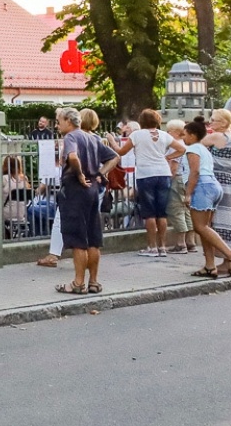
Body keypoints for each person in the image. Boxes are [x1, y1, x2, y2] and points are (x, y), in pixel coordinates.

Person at [54, 107, 111, 295]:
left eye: (59, 121)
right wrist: (100, 174)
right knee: (93, 238)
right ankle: (94, 282)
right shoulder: (93, 138)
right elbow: (114, 157)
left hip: (75, 190)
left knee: (78, 239)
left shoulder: (71, 137)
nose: (57, 125)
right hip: (93, 189)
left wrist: (79, 174)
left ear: (68, 122)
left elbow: (72, 156)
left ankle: (78, 283)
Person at [180, 118, 231, 278]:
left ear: (193, 135)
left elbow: (195, 172)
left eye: (184, 134)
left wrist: (188, 194)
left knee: (200, 227)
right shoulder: (204, 148)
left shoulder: (192, 149)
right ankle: (209, 266)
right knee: (205, 228)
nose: (183, 138)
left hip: (202, 187)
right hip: (213, 186)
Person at [113, 110, 173, 257]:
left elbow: (121, 152)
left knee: (149, 213)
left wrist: (111, 140)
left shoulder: (137, 135)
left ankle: (152, 247)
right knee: (162, 213)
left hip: (146, 174)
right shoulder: (164, 134)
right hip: (164, 174)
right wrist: (166, 157)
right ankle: (163, 247)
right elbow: (182, 149)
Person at [203, 109, 231, 260]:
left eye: (213, 120)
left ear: (223, 123)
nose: (210, 122)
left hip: (220, 181)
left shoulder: (218, 136)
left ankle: (228, 257)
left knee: (220, 219)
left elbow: (195, 146)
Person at [163, 119, 196, 253]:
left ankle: (180, 243)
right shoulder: (188, 145)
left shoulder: (175, 146)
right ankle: (191, 241)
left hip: (177, 179)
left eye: (169, 131)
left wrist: (167, 181)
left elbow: (173, 168)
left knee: (176, 209)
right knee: (187, 210)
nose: (167, 133)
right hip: (187, 179)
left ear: (176, 133)